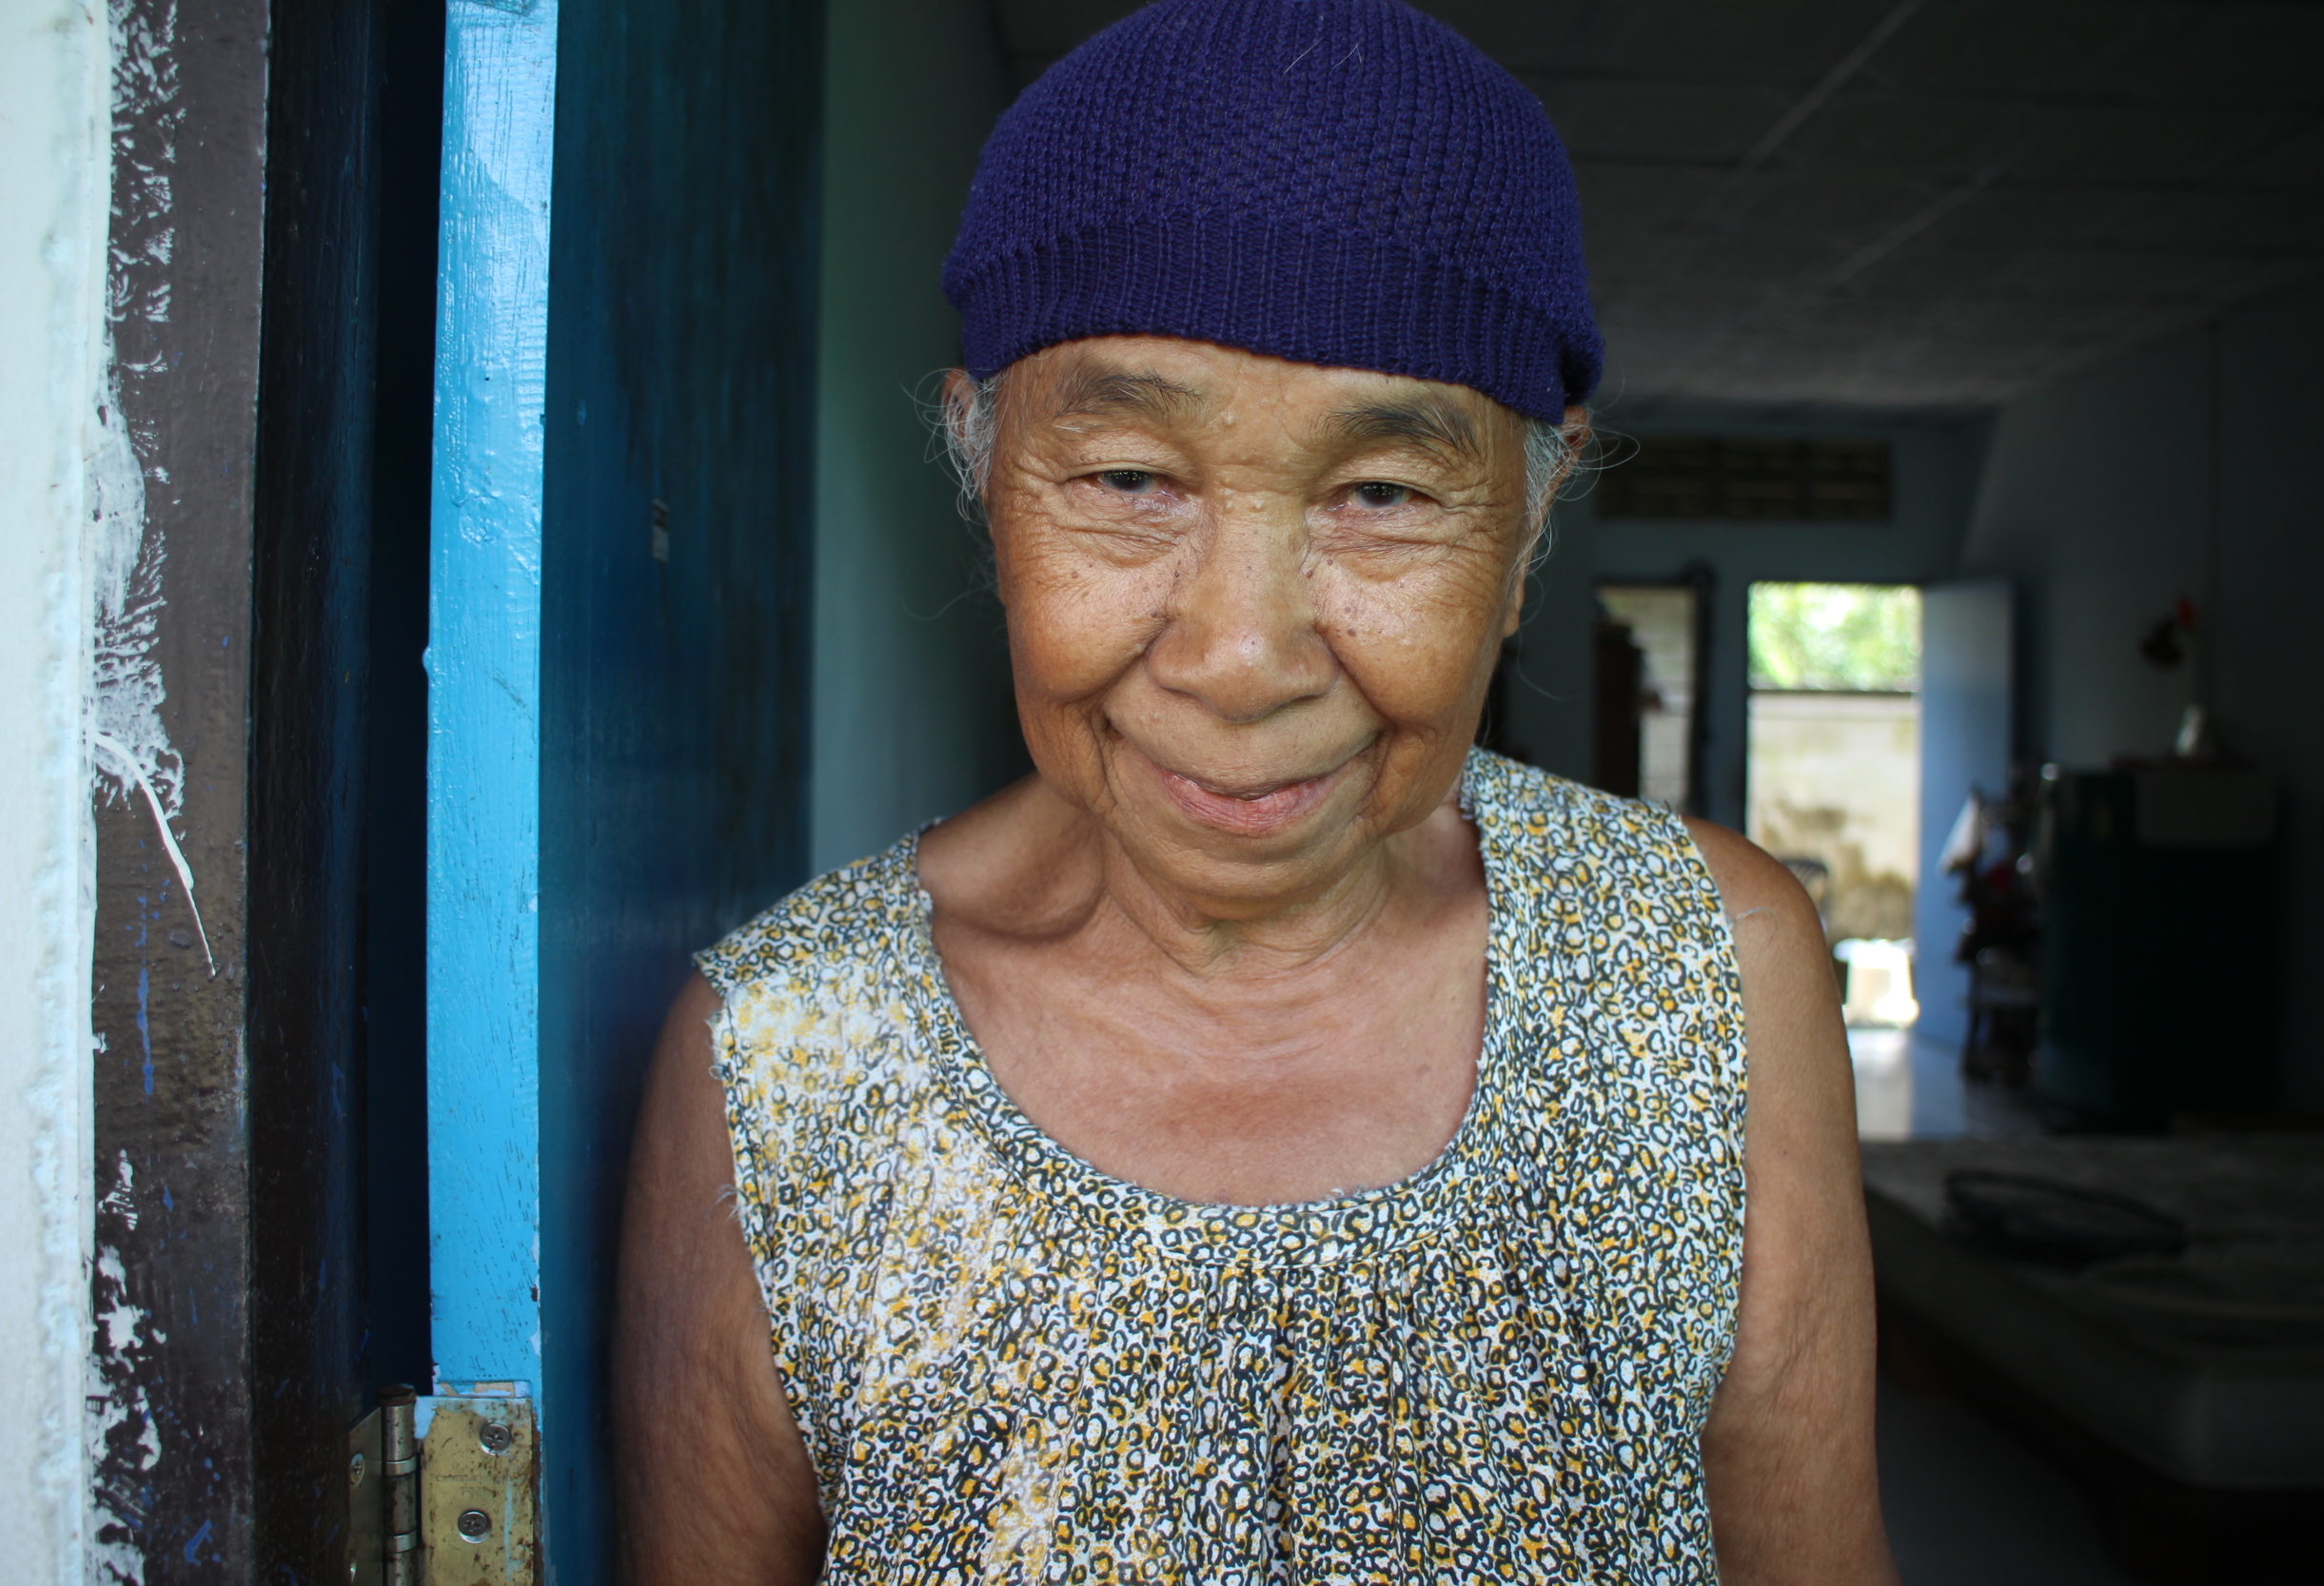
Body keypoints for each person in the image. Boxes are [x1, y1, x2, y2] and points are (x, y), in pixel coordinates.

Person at [617, 1, 1896, 1580]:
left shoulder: (1708, 965)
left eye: (1382, 495)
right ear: (983, 471)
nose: (1240, 659)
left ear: (1533, 517)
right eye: (1128, 480)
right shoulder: (783, 1059)